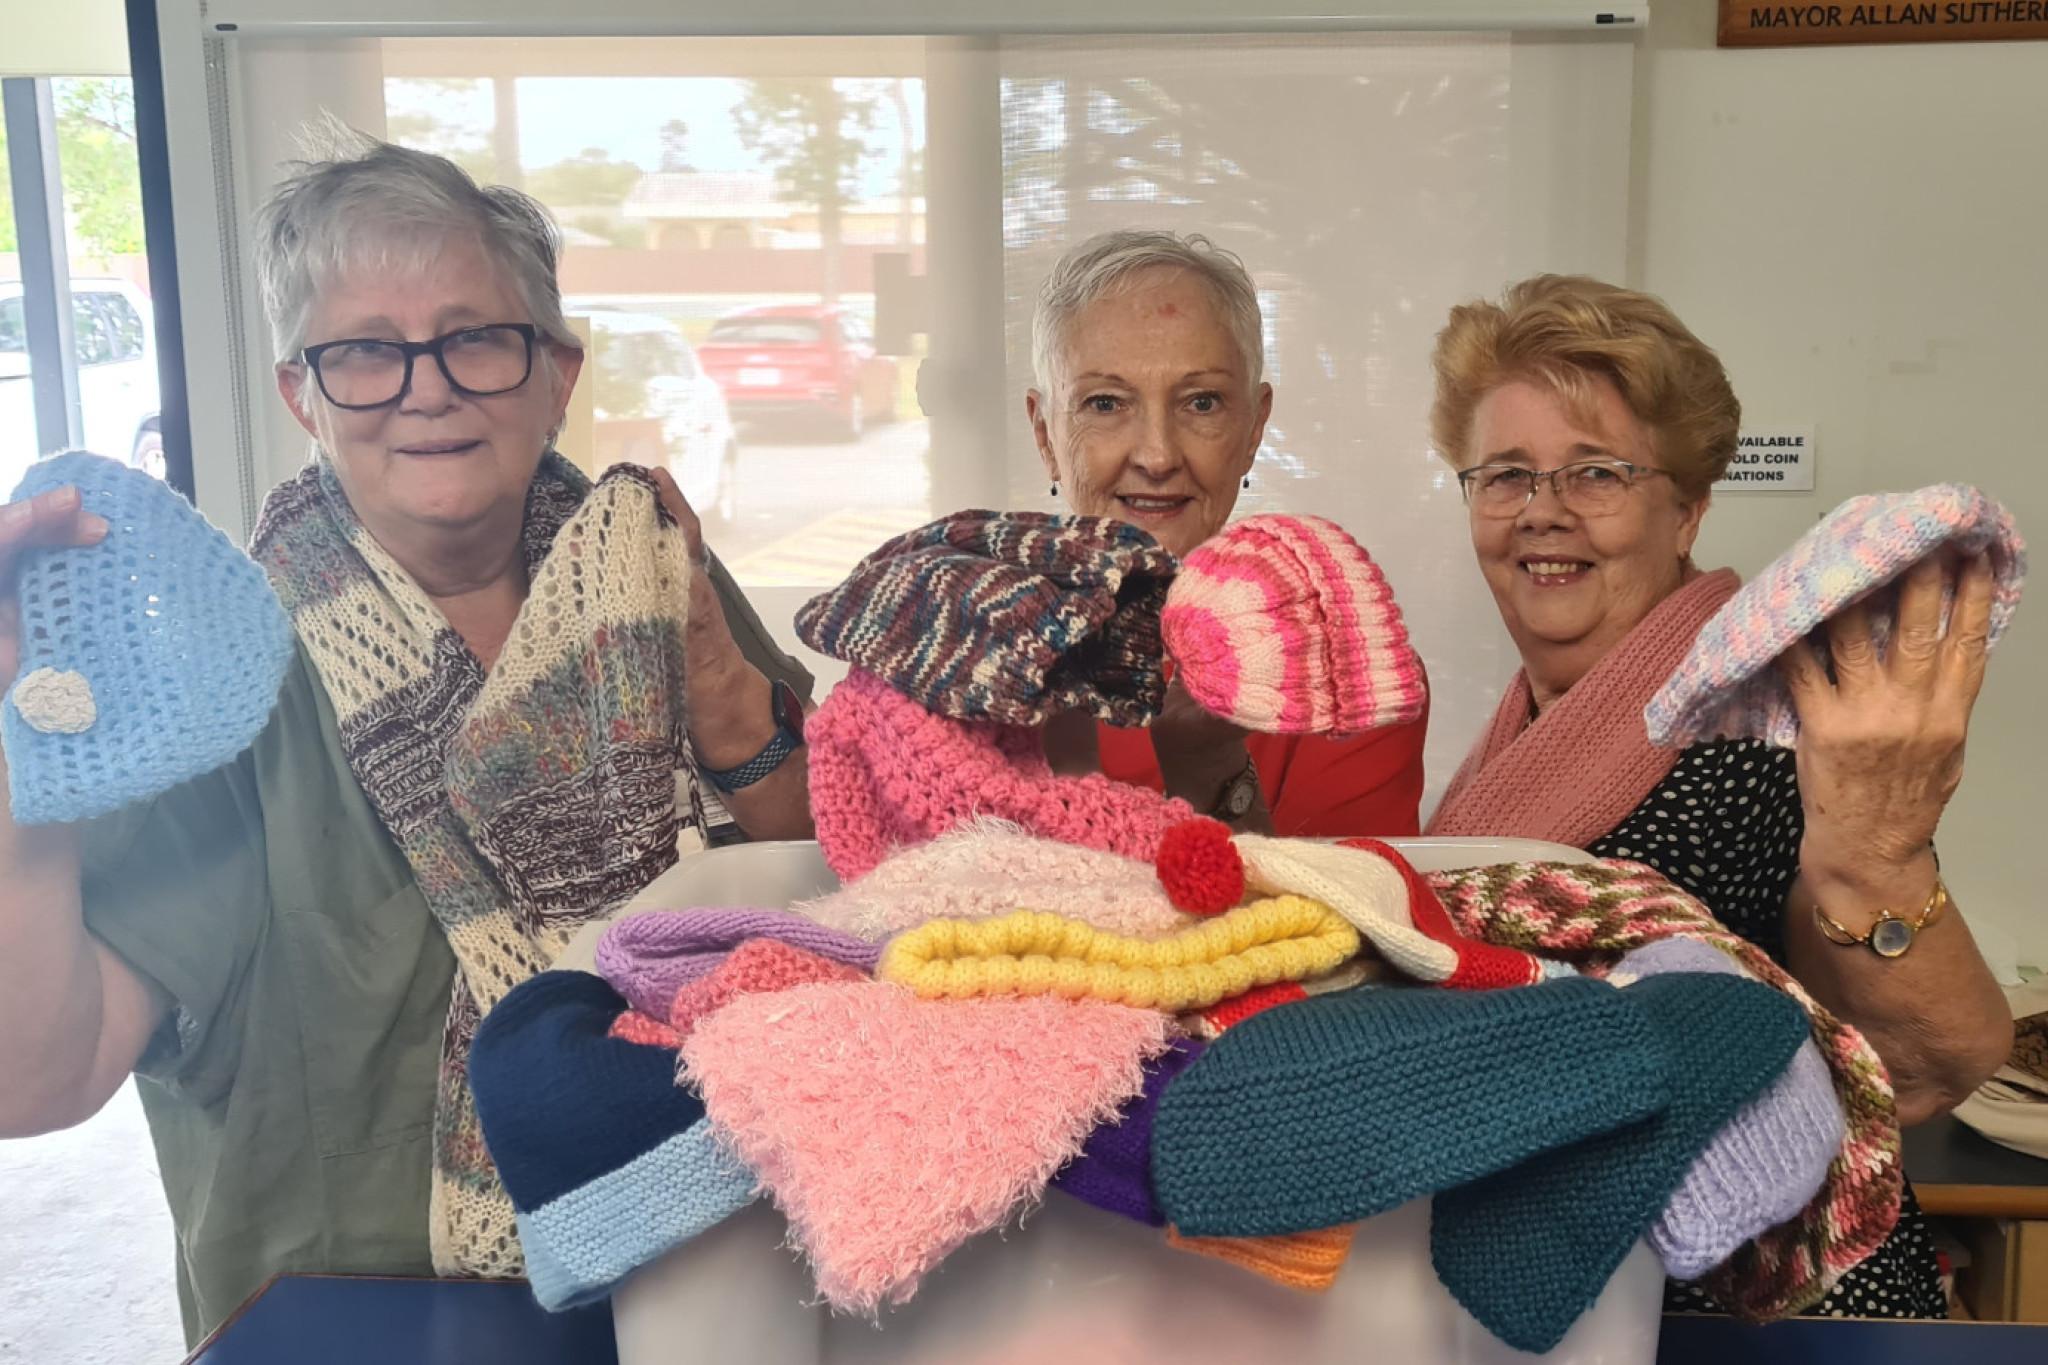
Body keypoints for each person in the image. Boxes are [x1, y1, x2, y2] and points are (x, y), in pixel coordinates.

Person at [0, 135, 815, 1343]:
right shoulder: (212, 680)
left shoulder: (655, 575)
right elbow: (40, 1079)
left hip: (717, 1267)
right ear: (303, 396)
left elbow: (829, 896)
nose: (425, 386)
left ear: (555, 375)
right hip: (362, 1324)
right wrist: (25, 771)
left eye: (476, 338)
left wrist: (730, 704)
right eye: (365, 352)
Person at [1424, 273, 2014, 1317]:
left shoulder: (1751, 724)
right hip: (1590, 1303)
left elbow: (1918, 1066)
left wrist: (1876, 855)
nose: (1541, 512)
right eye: (1504, 474)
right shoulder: (1514, 736)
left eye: (1595, 472)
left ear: (1687, 505)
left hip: (1759, 1320)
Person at [1026, 230, 1427, 837]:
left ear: (1254, 429)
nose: (1157, 456)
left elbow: (1356, 928)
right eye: (1106, 404)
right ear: (1045, 436)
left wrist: (1208, 766)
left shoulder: (1347, 664)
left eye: (1202, 402)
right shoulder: (956, 647)